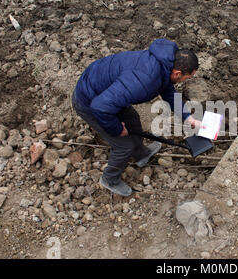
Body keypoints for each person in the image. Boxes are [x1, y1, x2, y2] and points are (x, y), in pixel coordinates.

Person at [72, 38, 201, 197]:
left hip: (108, 92)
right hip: (89, 100)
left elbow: (168, 92)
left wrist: (189, 118)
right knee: (123, 145)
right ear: (177, 73)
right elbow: (100, 107)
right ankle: (109, 179)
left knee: (132, 118)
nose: (185, 81)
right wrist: (118, 129)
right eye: (187, 78)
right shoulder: (144, 80)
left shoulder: (163, 65)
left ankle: (141, 154)